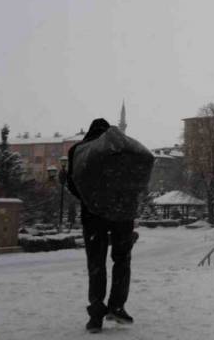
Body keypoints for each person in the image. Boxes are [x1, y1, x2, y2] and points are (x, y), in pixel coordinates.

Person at [67, 118, 137, 333]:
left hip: (93, 216)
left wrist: (91, 200)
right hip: (122, 214)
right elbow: (135, 182)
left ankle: (96, 315)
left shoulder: (78, 151)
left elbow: (74, 183)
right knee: (122, 260)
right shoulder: (121, 149)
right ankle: (117, 307)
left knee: (96, 264)